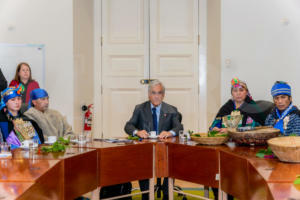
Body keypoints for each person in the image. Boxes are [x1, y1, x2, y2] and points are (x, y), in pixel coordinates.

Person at [124, 80, 183, 200]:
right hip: (146, 150)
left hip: (165, 150)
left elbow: (179, 127)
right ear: (149, 94)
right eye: (153, 93)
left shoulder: (172, 109)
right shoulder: (140, 108)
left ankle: (167, 194)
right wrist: (137, 132)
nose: (156, 96)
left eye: (159, 93)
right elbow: (128, 126)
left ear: (163, 95)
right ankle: (145, 194)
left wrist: (169, 132)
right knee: (142, 160)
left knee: (171, 159)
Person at [209, 77, 263, 200]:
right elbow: (212, 126)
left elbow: (258, 129)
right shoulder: (227, 107)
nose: (238, 93)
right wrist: (215, 129)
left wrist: (232, 131)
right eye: (235, 90)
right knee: (215, 171)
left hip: (246, 149)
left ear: (246, 92)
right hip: (225, 147)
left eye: (241, 90)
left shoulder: (252, 108)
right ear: (232, 93)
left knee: (236, 174)